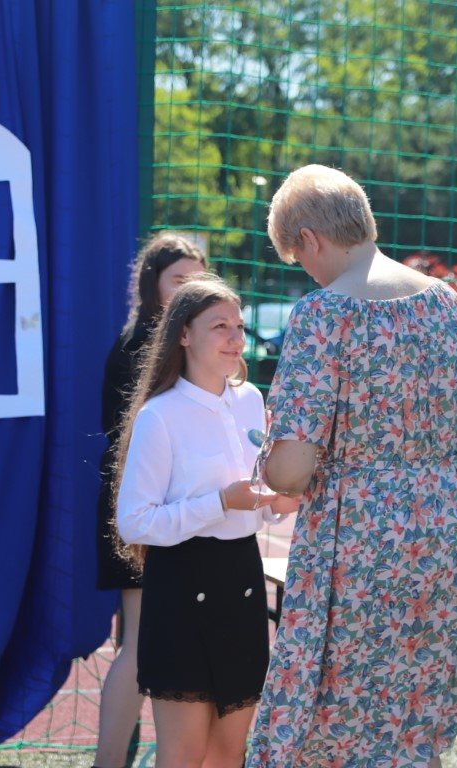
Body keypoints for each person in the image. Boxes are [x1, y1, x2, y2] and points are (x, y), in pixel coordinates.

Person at [245, 164, 457, 768]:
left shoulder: (323, 314)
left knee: (337, 717)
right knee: (414, 713)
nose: (306, 272)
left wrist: (270, 459)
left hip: (361, 536)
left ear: (309, 239)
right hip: (448, 526)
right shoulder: (446, 302)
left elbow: (291, 471)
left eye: (298, 258)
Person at [115, 275, 297, 768]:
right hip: (181, 585)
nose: (235, 338)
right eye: (220, 326)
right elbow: (134, 523)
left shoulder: (251, 399)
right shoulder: (160, 415)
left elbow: (252, 500)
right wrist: (220, 502)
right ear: (183, 334)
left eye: (238, 326)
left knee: (228, 753)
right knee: (183, 754)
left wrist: (277, 503)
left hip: (242, 581)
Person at [93, 232, 207, 768]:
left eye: (198, 280)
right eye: (178, 280)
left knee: (158, 644)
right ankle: (110, 760)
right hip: (145, 511)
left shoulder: (180, 342)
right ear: (151, 284)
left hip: (174, 512)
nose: (190, 290)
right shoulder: (145, 346)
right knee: (140, 644)